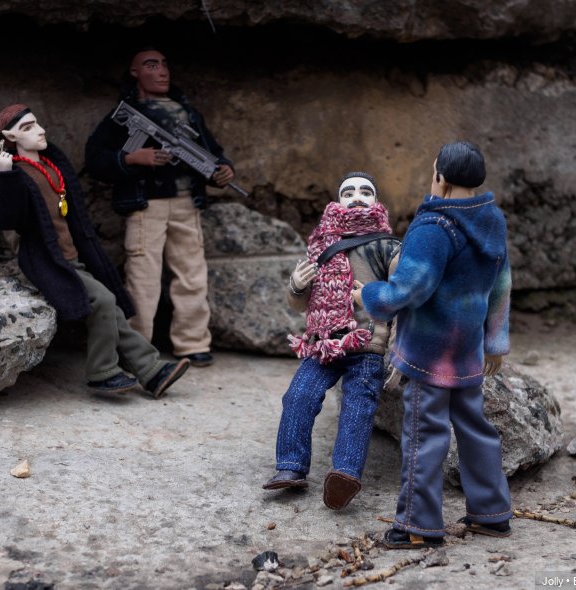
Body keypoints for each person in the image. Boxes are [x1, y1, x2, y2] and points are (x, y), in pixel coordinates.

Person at [353, 142, 512, 548]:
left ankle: (417, 526)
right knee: (476, 429)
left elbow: (410, 288)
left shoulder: (433, 227)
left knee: (424, 435)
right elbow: (501, 282)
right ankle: (492, 512)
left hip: (429, 352)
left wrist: (369, 295)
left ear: (440, 176)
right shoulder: (492, 219)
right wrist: (495, 341)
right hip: (468, 351)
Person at [0, 104, 189, 397]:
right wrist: (3, 176)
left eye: (37, 123)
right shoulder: (14, 173)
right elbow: (8, 219)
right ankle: (102, 371)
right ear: (10, 137)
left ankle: (151, 371)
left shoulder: (51, 164)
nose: (40, 130)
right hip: (47, 260)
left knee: (113, 311)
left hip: (72, 254)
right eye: (27, 128)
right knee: (103, 301)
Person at [85, 47, 238, 368]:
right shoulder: (126, 113)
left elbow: (209, 151)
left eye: (164, 65)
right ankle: (137, 348)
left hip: (186, 203)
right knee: (143, 279)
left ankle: (193, 342)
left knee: (192, 275)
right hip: (146, 206)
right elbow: (95, 159)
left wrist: (222, 170)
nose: (162, 71)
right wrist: (132, 158)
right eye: (151, 65)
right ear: (135, 73)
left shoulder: (188, 113)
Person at [262, 173, 401, 510]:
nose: (357, 197)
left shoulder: (389, 247)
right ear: (337, 202)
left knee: (358, 406)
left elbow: (403, 298)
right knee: (298, 395)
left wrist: (397, 348)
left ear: (377, 201)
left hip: (366, 343)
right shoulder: (322, 244)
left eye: (365, 192)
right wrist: (297, 285)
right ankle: (291, 465)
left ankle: (345, 474)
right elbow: (301, 304)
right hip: (322, 343)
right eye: (348, 192)